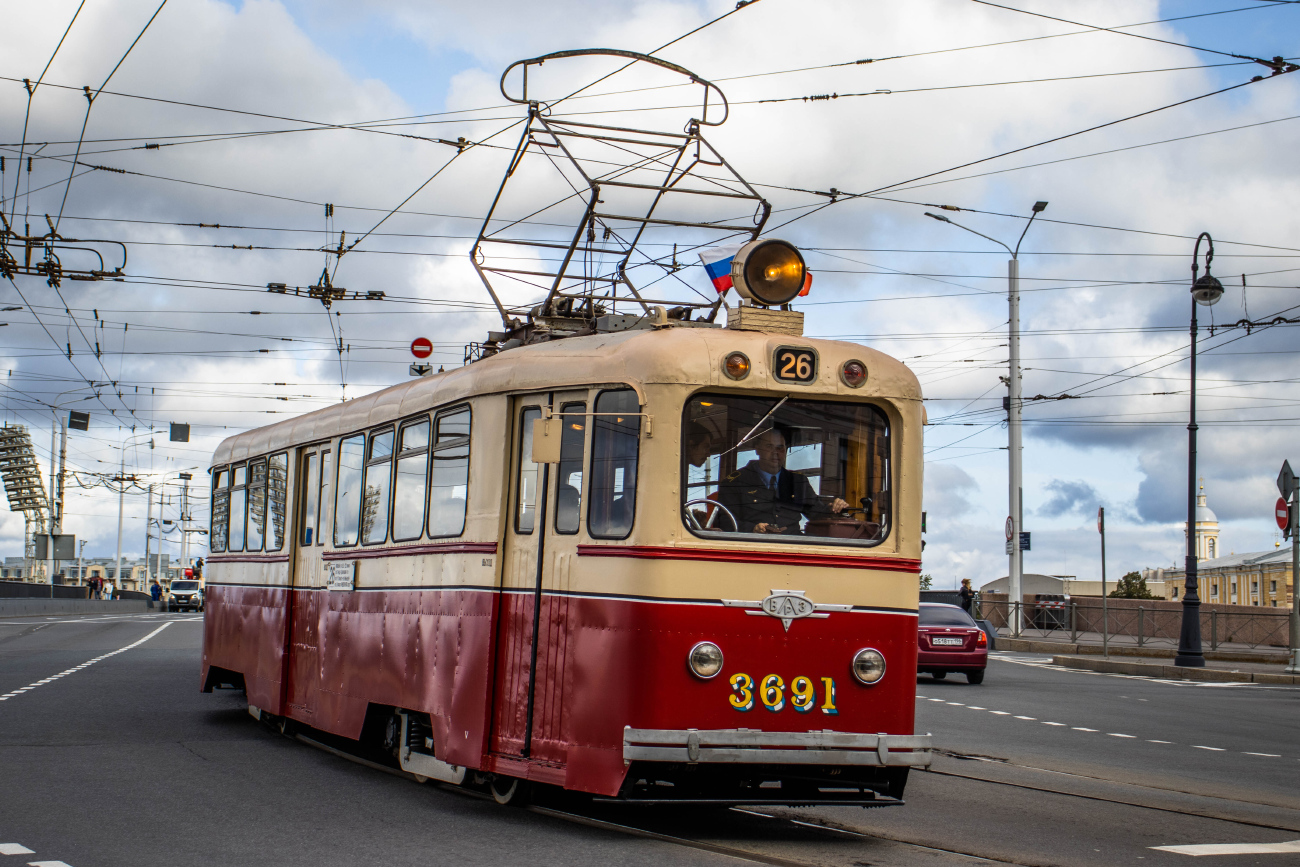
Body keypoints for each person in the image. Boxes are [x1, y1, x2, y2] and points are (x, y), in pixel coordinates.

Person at [716, 427, 849, 534]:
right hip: (752, 549)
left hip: (793, 549)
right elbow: (725, 522)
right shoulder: (735, 482)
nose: (775, 452)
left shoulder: (797, 482)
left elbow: (817, 514)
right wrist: (753, 528)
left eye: (780, 448)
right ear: (757, 449)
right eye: (769, 446)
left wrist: (835, 508)